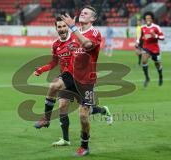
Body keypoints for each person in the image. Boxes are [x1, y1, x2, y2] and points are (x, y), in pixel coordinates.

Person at [34, 16, 113, 147]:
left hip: (81, 79)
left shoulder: (76, 39)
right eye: (59, 27)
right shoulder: (56, 45)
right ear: (56, 29)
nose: (62, 29)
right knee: (62, 107)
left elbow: (88, 51)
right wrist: (41, 70)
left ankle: (104, 111)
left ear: (68, 27)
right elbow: (54, 62)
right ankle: (65, 139)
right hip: (66, 77)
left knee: (87, 111)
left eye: (64, 26)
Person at [61, 5, 103, 156]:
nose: (82, 14)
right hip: (72, 77)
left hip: (87, 81)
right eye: (81, 13)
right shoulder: (73, 33)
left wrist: (72, 27)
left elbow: (87, 45)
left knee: (83, 116)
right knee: (63, 104)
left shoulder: (94, 32)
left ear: (93, 18)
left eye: (86, 13)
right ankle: (64, 137)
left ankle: (84, 146)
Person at [136, 11, 164, 87]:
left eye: (149, 18)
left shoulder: (156, 27)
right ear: (145, 19)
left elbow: (162, 37)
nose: (148, 19)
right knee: (144, 60)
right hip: (146, 47)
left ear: (152, 19)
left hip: (155, 49)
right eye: (146, 18)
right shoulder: (143, 27)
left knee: (157, 64)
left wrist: (155, 36)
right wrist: (137, 45)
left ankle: (160, 76)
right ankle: (147, 78)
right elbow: (140, 38)